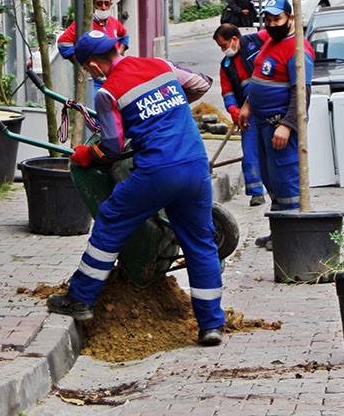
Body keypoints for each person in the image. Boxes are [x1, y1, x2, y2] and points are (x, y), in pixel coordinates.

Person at [46, 30, 226, 347]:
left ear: (92, 66)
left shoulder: (108, 92)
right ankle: (211, 325)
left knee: (111, 219)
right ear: (117, 48)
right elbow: (201, 84)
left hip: (157, 171)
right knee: (200, 241)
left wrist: (89, 153)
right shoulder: (160, 65)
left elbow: (114, 146)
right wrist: (168, 108)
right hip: (195, 165)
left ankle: (81, 299)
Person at [238, 0, 314, 248]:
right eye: (267, 20)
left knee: (286, 180)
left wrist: (288, 125)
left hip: (280, 126)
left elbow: (301, 94)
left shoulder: (299, 50)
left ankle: (292, 238)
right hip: (261, 124)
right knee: (271, 180)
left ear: (290, 19)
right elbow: (259, 76)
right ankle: (278, 232)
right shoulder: (270, 41)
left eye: (277, 19)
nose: (271, 24)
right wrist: (248, 105)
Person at [214, 23, 269, 206]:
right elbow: (228, 93)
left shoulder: (257, 41)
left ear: (235, 39)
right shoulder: (226, 66)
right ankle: (256, 193)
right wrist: (234, 111)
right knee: (250, 152)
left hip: (269, 105)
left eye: (224, 45)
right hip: (247, 115)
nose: (223, 50)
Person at [57, 0, 130, 102]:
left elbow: (125, 35)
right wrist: (81, 62)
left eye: (106, 3)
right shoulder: (84, 24)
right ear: (93, 5)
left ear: (111, 4)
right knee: (98, 110)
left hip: (115, 74)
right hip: (97, 79)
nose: (104, 7)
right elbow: (63, 43)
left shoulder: (113, 22)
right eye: (99, 4)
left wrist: (119, 52)